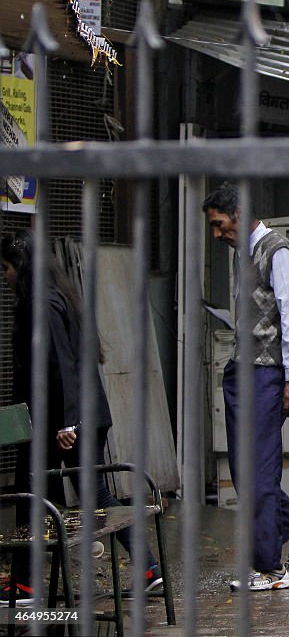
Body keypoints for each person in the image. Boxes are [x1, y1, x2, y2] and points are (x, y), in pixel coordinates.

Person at [1, 230, 163, 603]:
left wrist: (67, 423)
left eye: (7, 268)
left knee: (37, 491)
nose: (5, 275)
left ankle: (26, 584)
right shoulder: (59, 296)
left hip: (65, 419)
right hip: (74, 416)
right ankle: (147, 566)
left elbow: (60, 364)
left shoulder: (40, 303)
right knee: (87, 491)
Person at [202, 183, 289, 591]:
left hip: (267, 373)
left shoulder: (276, 251)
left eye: (219, 224)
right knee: (245, 469)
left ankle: (270, 568)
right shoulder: (243, 252)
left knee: (259, 470)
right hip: (244, 368)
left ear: (238, 212)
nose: (216, 234)